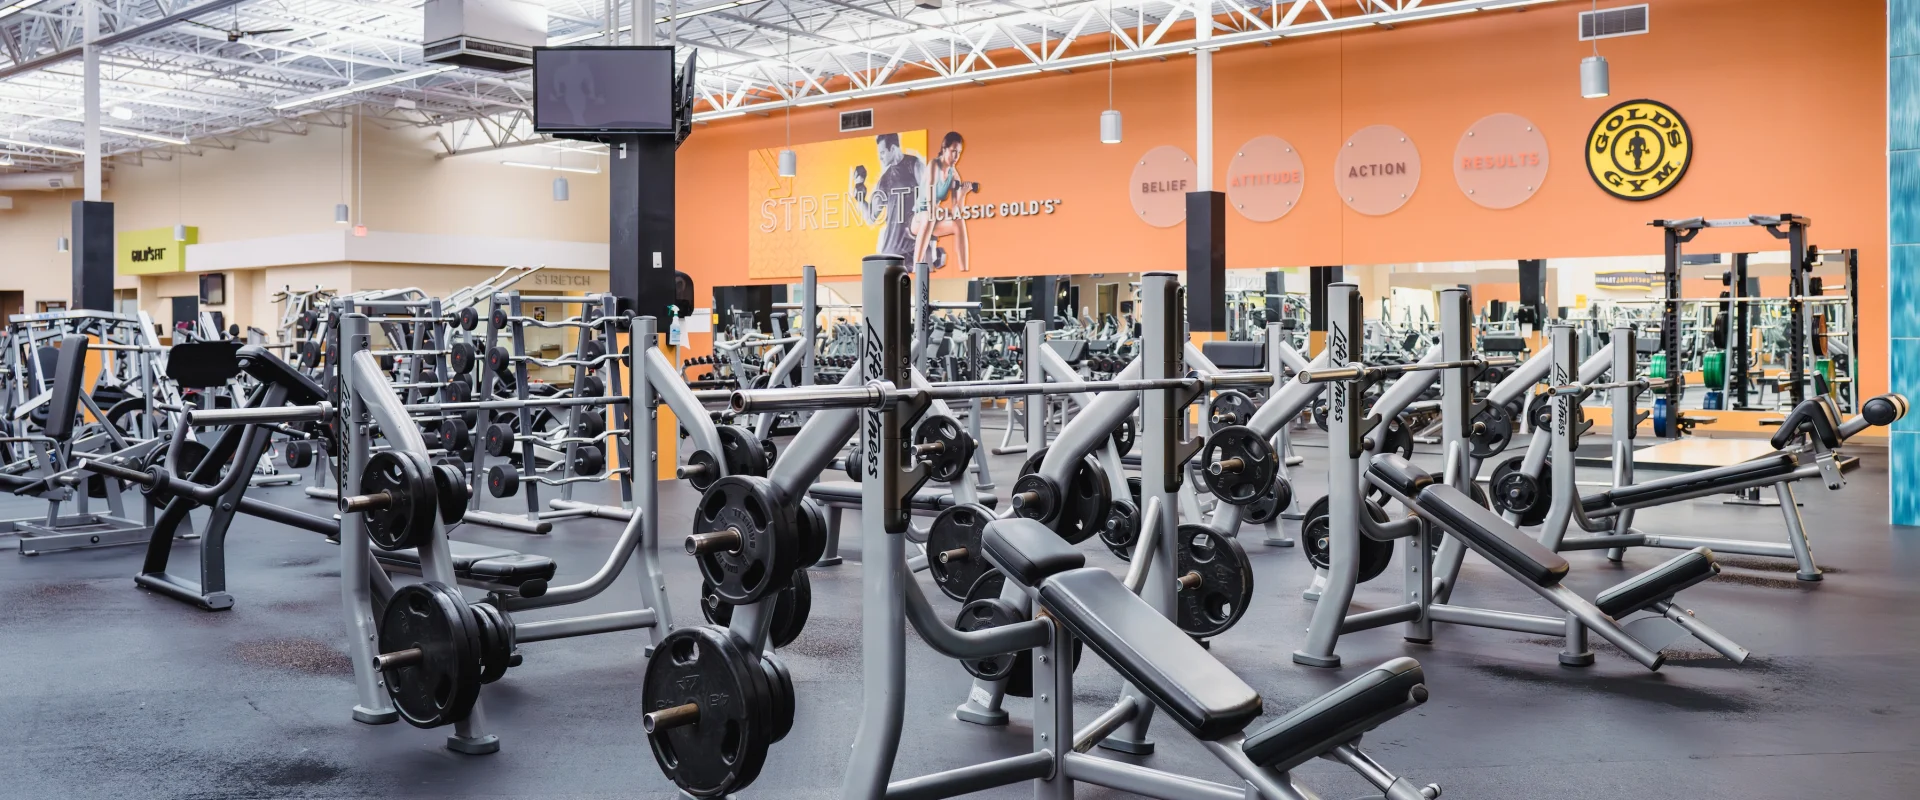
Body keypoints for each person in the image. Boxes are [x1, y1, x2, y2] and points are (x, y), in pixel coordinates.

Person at [849, 133, 925, 261]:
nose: (880, 157)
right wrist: (859, 188)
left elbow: (929, 200)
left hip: (913, 250)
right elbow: (870, 218)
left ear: (893, 148)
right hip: (890, 253)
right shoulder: (885, 179)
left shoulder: (914, 165)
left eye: (883, 152)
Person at [912, 131, 978, 272]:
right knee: (930, 216)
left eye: (959, 152)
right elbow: (930, 202)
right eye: (953, 151)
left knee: (959, 221)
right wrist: (941, 212)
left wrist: (962, 194)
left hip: (934, 219)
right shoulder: (933, 165)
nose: (956, 156)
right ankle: (916, 267)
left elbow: (957, 212)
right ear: (944, 149)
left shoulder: (954, 175)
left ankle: (964, 269)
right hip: (918, 218)